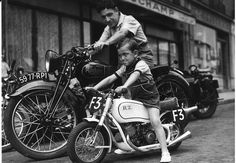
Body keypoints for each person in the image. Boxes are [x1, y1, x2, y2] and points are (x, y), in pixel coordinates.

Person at [92, 38, 171, 163]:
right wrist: (95, 88)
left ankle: (165, 151)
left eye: (125, 54)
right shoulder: (124, 67)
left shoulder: (141, 64)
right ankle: (129, 145)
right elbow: (111, 78)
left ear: (135, 54)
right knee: (122, 117)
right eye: (120, 55)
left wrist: (124, 86)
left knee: (155, 121)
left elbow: (135, 75)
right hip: (134, 97)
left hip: (150, 98)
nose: (122, 58)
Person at [94, 0, 154, 68]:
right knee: (116, 76)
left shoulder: (129, 19)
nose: (107, 19)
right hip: (124, 57)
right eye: (103, 17)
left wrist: (106, 43)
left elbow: (122, 32)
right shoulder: (108, 28)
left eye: (109, 15)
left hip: (141, 55)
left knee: (139, 77)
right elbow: (100, 42)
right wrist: (90, 50)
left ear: (116, 10)